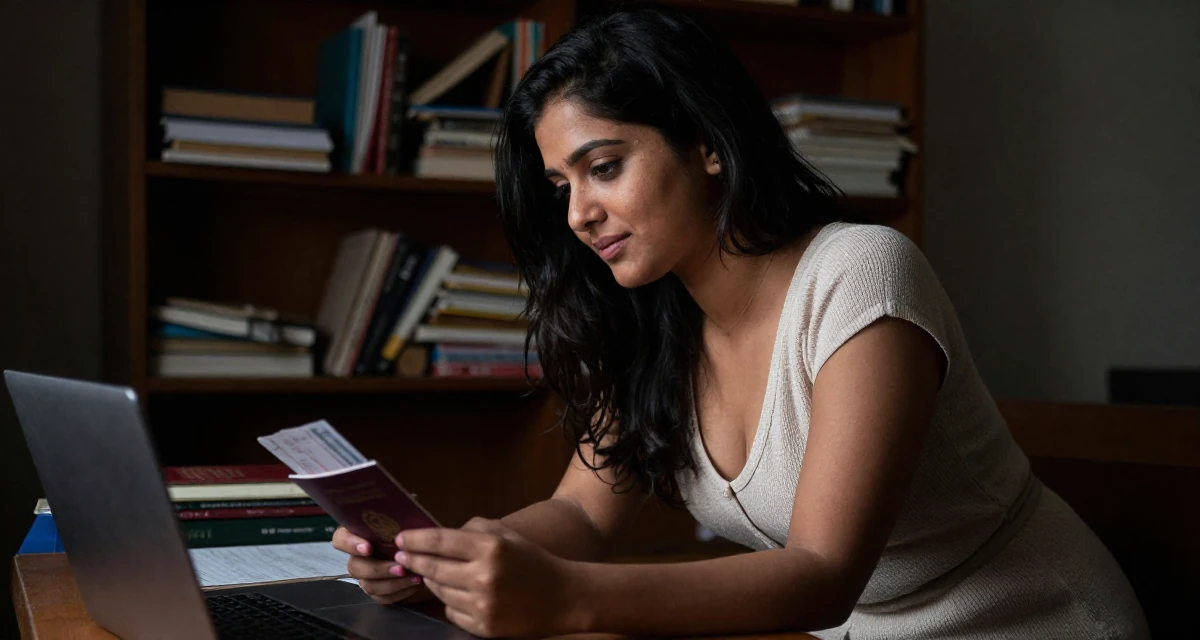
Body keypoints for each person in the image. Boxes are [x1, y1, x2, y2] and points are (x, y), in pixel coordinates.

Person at [332, 5, 1150, 638]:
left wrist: (567, 597)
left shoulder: (860, 274)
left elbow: (825, 571)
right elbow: (583, 514)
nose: (579, 213)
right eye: (560, 187)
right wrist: (448, 558)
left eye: (604, 167)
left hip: (1026, 622)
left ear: (707, 145)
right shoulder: (650, 317)